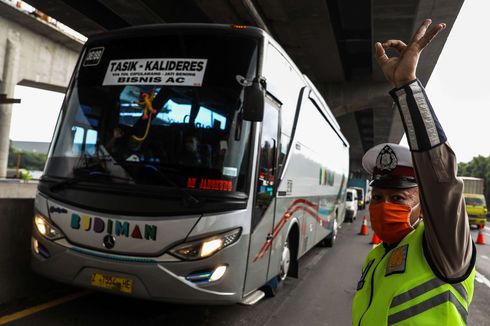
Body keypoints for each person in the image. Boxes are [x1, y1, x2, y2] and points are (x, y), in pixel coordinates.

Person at [352, 19, 475, 325]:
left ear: (423, 205)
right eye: (377, 197)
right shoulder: (375, 258)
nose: (383, 206)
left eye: (399, 197)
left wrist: (407, 87)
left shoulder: (445, 249)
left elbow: (441, 180)